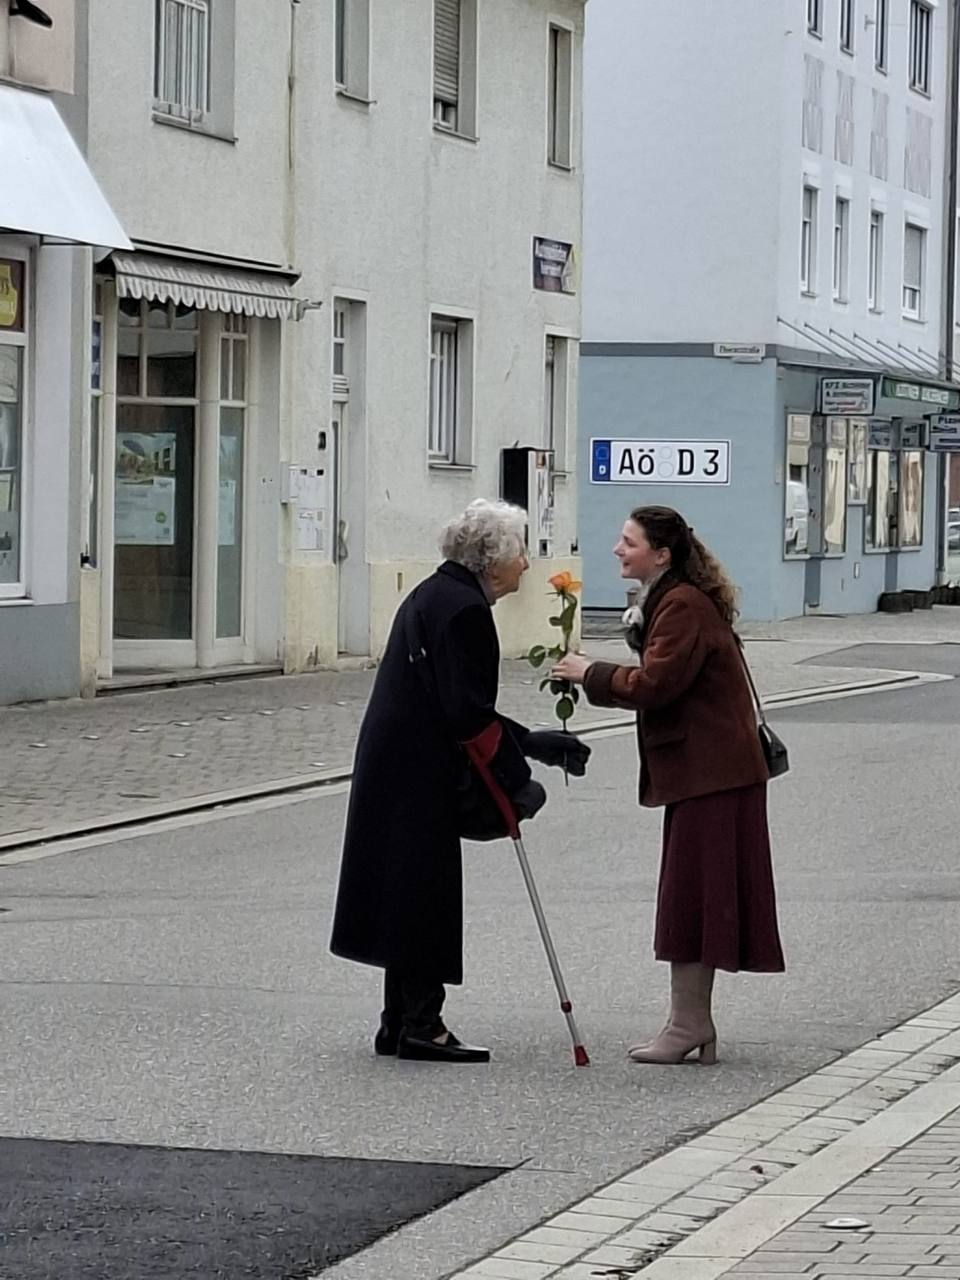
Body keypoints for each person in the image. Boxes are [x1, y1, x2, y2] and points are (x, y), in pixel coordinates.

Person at [331, 499, 591, 1064]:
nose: (527, 564)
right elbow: (469, 716)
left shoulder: (435, 593)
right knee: (425, 888)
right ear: (493, 560)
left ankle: (401, 1021)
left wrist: (534, 743)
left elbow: (460, 702)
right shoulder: (466, 610)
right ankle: (423, 1025)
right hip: (421, 766)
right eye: (521, 552)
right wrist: (518, 779)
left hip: (397, 759)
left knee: (407, 887)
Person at [553, 506, 784, 1066]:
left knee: (693, 898)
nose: (617, 549)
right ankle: (690, 1022)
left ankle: (688, 1023)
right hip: (712, 772)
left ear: (661, 554)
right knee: (694, 896)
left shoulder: (681, 604)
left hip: (713, 775)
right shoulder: (673, 598)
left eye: (628, 542)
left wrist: (589, 672)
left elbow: (656, 684)